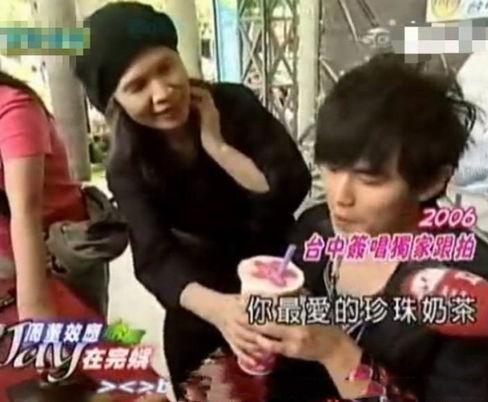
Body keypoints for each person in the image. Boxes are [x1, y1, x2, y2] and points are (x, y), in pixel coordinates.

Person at [72, 2, 311, 395]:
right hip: (201, 293)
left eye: (166, 68)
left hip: (276, 273)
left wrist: (218, 147)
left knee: (298, 382)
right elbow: (154, 257)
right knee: (208, 386)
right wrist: (222, 312)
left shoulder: (234, 103)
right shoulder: (127, 164)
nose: (162, 93)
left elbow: (289, 186)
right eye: (137, 86)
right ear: (114, 102)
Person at [251, 54, 488, 401]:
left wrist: (336, 351)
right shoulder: (316, 230)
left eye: (369, 180)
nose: (340, 197)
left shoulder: (474, 291)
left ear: (430, 182)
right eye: (331, 168)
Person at [0, 71, 108, 320]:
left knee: (84, 338)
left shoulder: (14, 108)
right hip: (9, 266)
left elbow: (26, 211)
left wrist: (36, 319)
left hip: (56, 261)